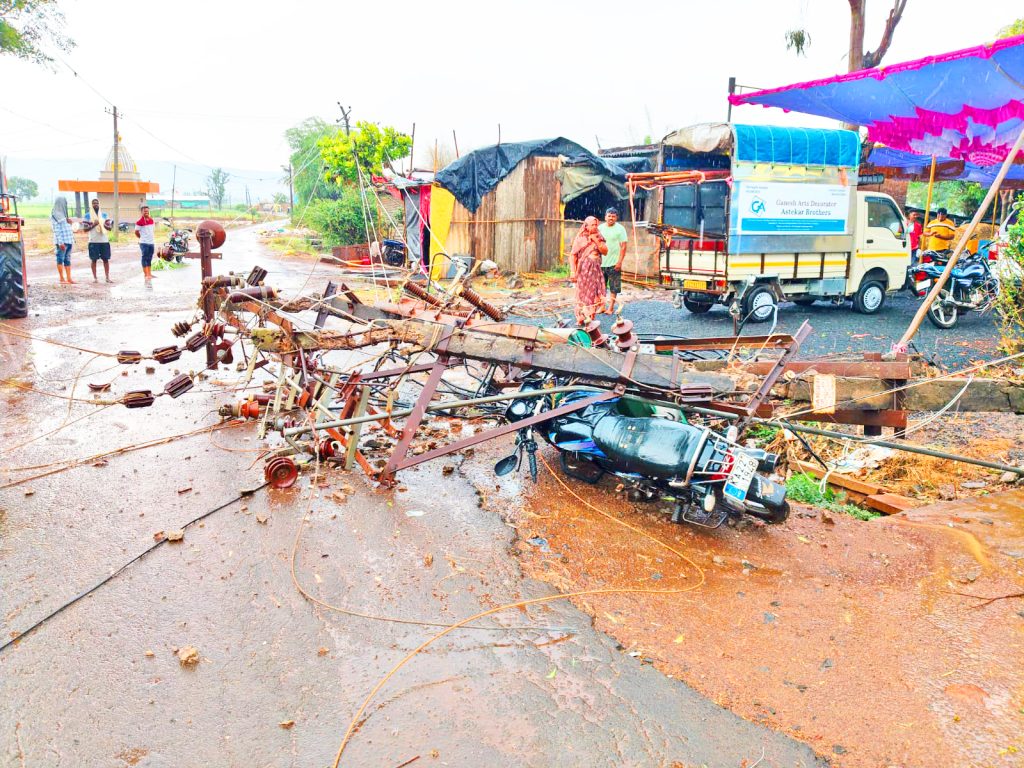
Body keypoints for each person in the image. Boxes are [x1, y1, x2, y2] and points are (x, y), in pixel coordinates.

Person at [569, 216, 607, 324]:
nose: (595, 227)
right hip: (583, 271)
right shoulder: (580, 238)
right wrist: (573, 271)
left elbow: (605, 252)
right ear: (586, 226)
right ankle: (580, 318)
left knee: (593, 294)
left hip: (595, 271)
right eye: (592, 225)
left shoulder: (599, 237)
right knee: (582, 294)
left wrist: (595, 240)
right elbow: (573, 256)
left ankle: (590, 318)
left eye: (596, 225)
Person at [598, 207, 628, 314]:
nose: (611, 218)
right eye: (609, 216)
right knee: (601, 286)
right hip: (601, 263)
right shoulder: (600, 228)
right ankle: (602, 306)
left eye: (613, 216)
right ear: (605, 217)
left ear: (616, 218)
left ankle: (610, 308)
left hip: (614, 263)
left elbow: (624, 246)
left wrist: (619, 262)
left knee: (614, 287)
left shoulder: (620, 229)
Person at [83, 198, 113, 283]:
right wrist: (94, 224)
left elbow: (110, 228)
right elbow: (85, 229)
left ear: (99, 204)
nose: (95, 205)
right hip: (93, 241)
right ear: (91, 205)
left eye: (97, 203)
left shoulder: (104, 215)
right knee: (94, 260)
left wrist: (102, 224)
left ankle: (107, 277)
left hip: (104, 241)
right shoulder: (87, 215)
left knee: (106, 259)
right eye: (93, 203)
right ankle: (95, 278)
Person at [50, 196, 75, 284]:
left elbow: (67, 228)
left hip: (68, 240)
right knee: (60, 258)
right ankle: (61, 278)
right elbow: (56, 230)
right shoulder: (55, 215)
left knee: (67, 259)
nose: (66, 204)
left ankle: (69, 278)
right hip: (62, 242)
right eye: (64, 203)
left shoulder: (64, 215)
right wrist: (60, 243)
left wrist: (70, 223)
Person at [135, 204, 156, 281]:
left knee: (150, 258)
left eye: (147, 211)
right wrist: (141, 238)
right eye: (144, 211)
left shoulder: (151, 220)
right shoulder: (139, 222)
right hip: (143, 243)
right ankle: (146, 274)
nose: (146, 212)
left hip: (151, 242)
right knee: (145, 257)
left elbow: (152, 231)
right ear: (141, 212)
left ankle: (149, 274)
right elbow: (136, 232)